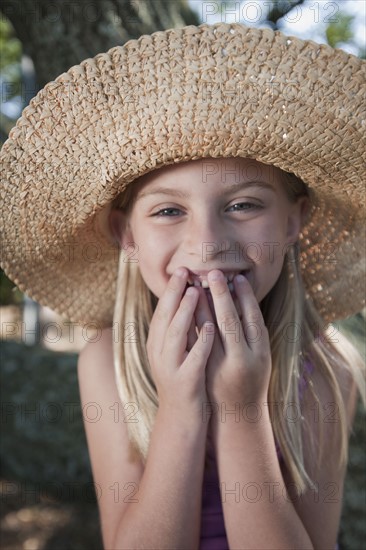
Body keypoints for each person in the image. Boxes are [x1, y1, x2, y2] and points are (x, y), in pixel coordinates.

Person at [1, 22, 365, 550]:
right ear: (127, 234)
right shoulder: (109, 363)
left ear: (293, 222)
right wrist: (179, 407)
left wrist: (241, 410)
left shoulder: (324, 370)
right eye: (169, 210)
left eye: (243, 205)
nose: (209, 243)